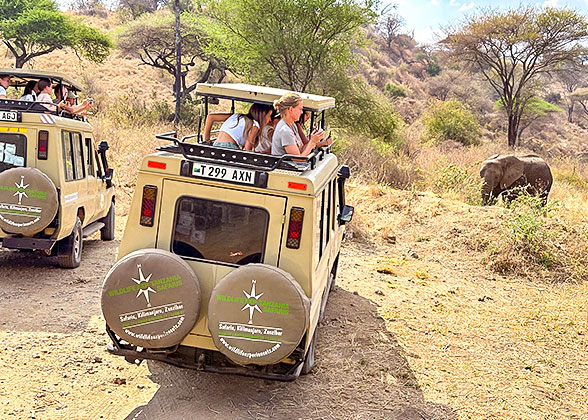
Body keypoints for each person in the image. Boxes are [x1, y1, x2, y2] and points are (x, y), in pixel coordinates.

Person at [204, 103, 273, 150]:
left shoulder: (236, 116)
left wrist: (207, 140)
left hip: (216, 144)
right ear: (262, 115)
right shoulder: (255, 125)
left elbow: (210, 117)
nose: (270, 119)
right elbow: (247, 148)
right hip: (229, 147)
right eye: (269, 116)